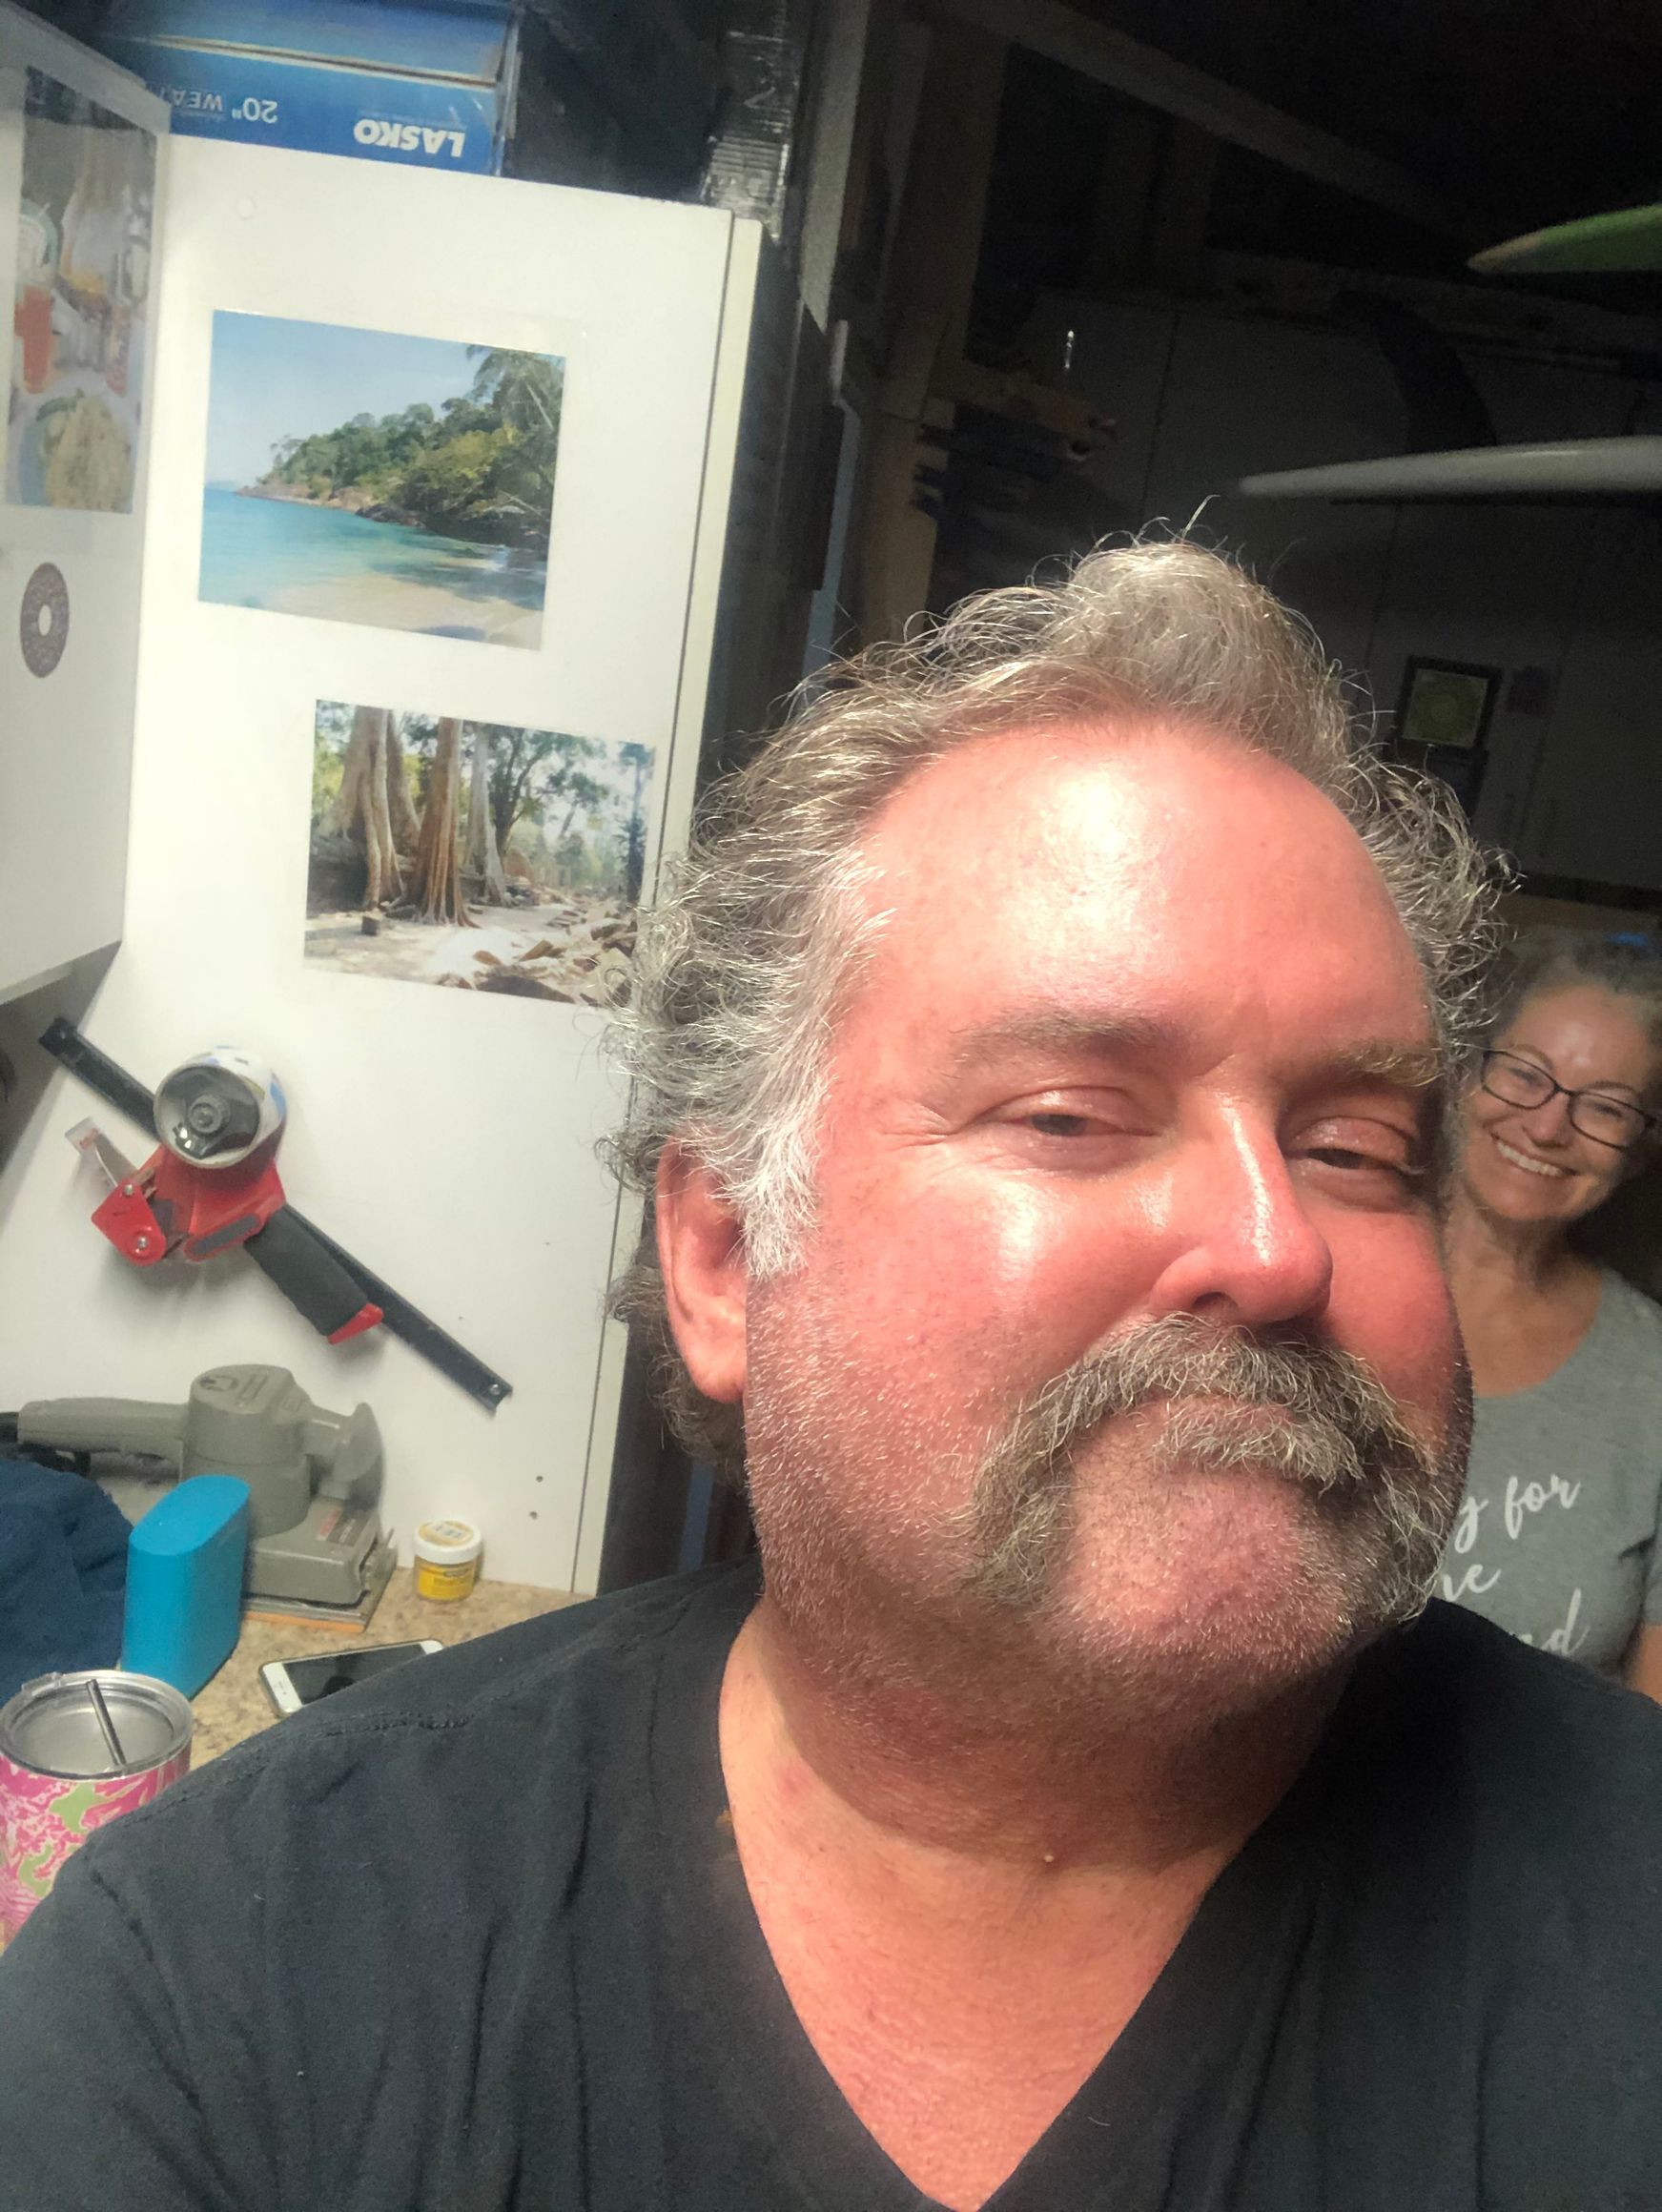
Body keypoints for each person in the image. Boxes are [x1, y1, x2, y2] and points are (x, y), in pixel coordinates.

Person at [5, 541, 1662, 2212]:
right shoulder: (219, 1986)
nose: (1276, 1246)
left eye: (1359, 1150)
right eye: (1069, 1117)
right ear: (724, 1257)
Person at [1437, 928, 1662, 1692]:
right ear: (1464, 1072)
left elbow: (1648, 1731)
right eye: (1523, 1074)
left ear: (1636, 1151)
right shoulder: (1316, 1279)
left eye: (1605, 1109)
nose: (1545, 1126)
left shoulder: (1650, 1380)